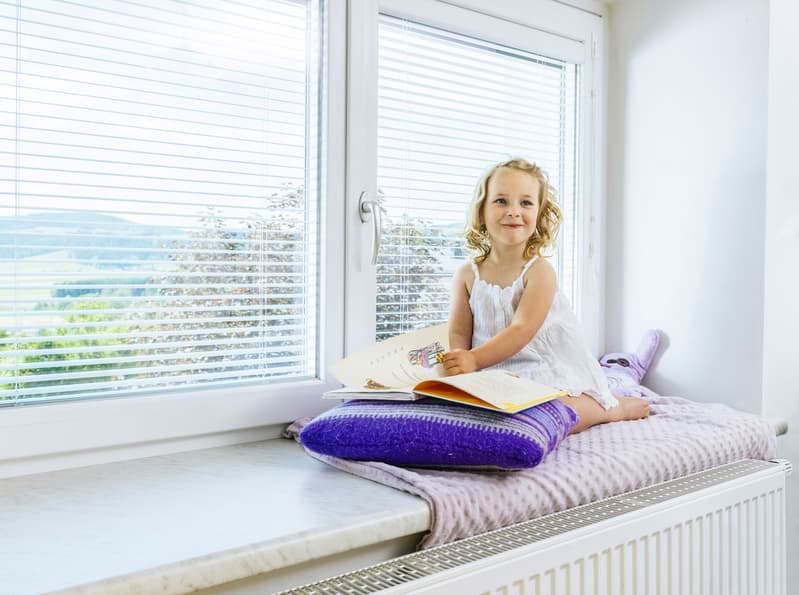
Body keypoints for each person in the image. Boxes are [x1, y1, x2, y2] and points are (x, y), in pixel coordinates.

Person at [443, 158, 650, 433]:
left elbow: (522, 329)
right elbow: (459, 331)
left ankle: (611, 408)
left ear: (539, 215)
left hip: (540, 365)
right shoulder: (467, 274)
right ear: (481, 212)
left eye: (526, 203)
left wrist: (475, 359)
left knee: (555, 412)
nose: (514, 211)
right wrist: (459, 358)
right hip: (491, 371)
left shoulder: (539, 271)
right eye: (501, 201)